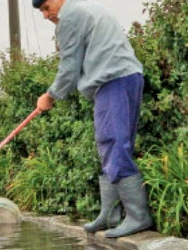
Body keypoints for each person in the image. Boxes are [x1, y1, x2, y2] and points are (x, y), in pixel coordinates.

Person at [33, 0, 153, 238]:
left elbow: (69, 67)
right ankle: (110, 215)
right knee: (111, 146)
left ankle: (138, 216)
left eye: (46, 7)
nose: (46, 15)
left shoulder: (69, 17)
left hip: (113, 81)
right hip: (124, 78)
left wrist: (51, 95)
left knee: (113, 144)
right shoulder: (87, 8)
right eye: (42, 12)